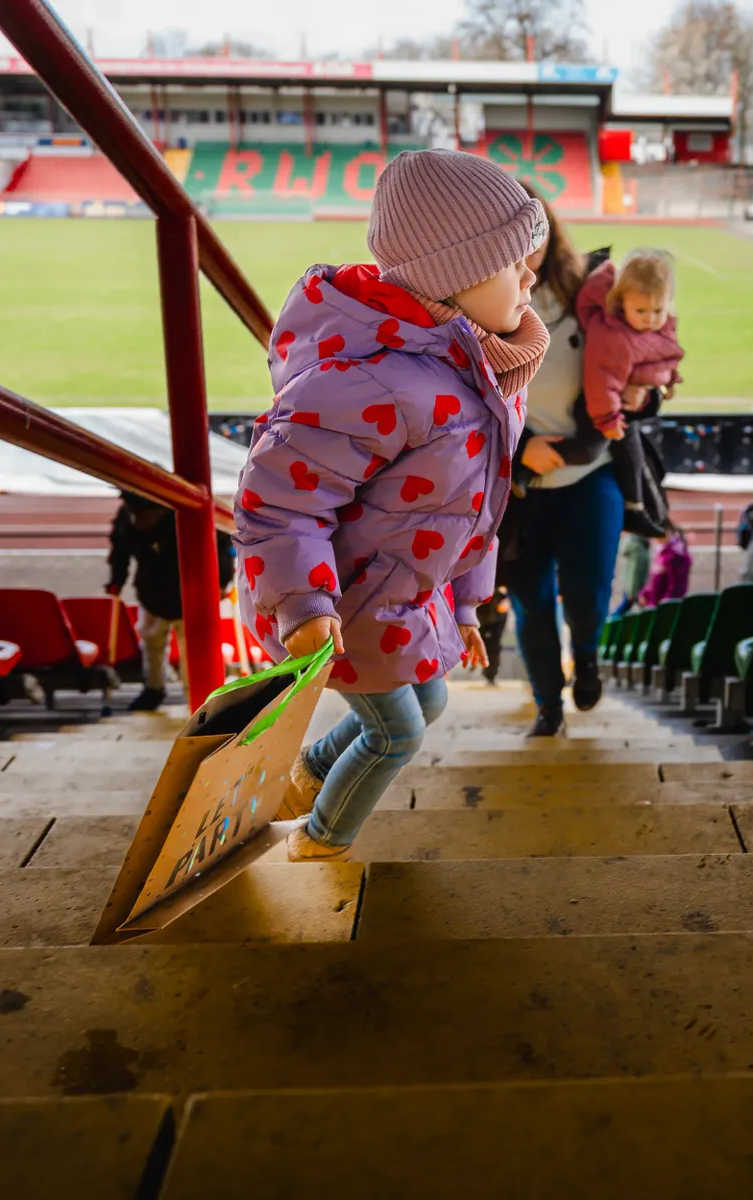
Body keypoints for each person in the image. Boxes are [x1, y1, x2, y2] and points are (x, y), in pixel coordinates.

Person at [236, 148, 545, 862]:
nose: (531, 280)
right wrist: (304, 607)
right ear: (453, 279)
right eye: (514, 265)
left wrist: (466, 605)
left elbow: (475, 509)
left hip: (402, 597)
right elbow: (278, 503)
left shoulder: (481, 370)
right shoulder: (374, 382)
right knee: (397, 733)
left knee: (428, 703)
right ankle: (318, 845)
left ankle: (307, 776)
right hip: (340, 608)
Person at [501, 181, 635, 736]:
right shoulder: (473, 303)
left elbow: (637, 353)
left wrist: (645, 388)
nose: (524, 242)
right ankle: (547, 707)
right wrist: (517, 451)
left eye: (532, 226)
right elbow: (454, 407)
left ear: (550, 227)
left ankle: (586, 655)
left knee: (590, 589)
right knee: (531, 605)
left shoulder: (590, 291)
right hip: (520, 489)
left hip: (589, 474)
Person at [577, 249, 684, 537]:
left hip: (620, 405)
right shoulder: (613, 336)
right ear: (620, 303)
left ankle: (637, 508)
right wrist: (608, 418)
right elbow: (601, 379)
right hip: (602, 409)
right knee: (600, 449)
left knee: (636, 456)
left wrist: (667, 381)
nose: (650, 319)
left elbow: (662, 355)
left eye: (658, 311)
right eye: (642, 311)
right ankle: (635, 509)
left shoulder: (648, 326)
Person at [105, 490, 235, 711]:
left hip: (192, 594)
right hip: (151, 593)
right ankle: (153, 689)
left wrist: (222, 581)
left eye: (143, 512)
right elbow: (120, 551)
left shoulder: (186, 517)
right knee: (151, 643)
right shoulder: (126, 519)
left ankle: (195, 692)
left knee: (192, 649)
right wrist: (117, 579)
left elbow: (222, 548)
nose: (138, 518)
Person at [637, 522, 692, 608]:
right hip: (656, 604)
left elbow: (676, 586)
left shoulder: (674, 555)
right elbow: (654, 580)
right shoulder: (662, 552)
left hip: (665, 607)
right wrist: (645, 594)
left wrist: (665, 605)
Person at [613, 531, 652, 615]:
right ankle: (610, 624)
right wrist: (632, 592)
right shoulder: (638, 549)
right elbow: (635, 572)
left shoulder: (635, 546)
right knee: (624, 609)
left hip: (631, 586)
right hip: (634, 588)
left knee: (625, 608)